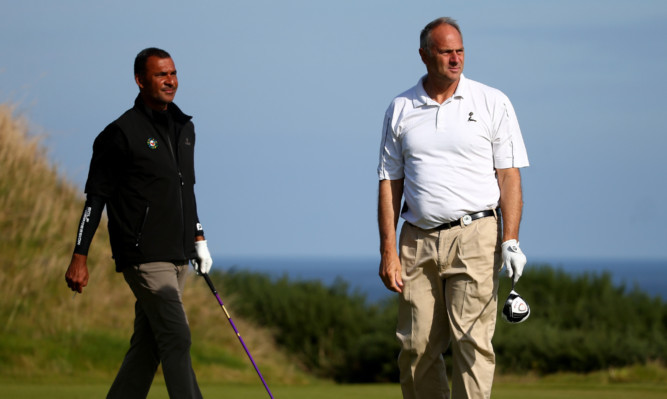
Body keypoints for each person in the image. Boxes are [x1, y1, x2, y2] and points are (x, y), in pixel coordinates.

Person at [377, 17, 529, 399]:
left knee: (472, 344)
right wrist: (388, 250)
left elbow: (509, 177)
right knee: (415, 349)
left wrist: (510, 241)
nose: (455, 59)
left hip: (476, 236)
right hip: (417, 240)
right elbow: (389, 183)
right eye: (446, 52)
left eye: (460, 51)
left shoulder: (492, 101)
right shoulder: (400, 108)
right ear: (425, 55)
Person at [65, 47, 213, 399]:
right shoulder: (120, 134)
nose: (170, 81)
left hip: (178, 254)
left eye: (173, 73)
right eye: (161, 75)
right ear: (140, 80)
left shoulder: (185, 127)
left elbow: (184, 190)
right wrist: (79, 255)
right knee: (177, 336)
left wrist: (198, 237)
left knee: (147, 348)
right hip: (144, 255)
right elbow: (95, 199)